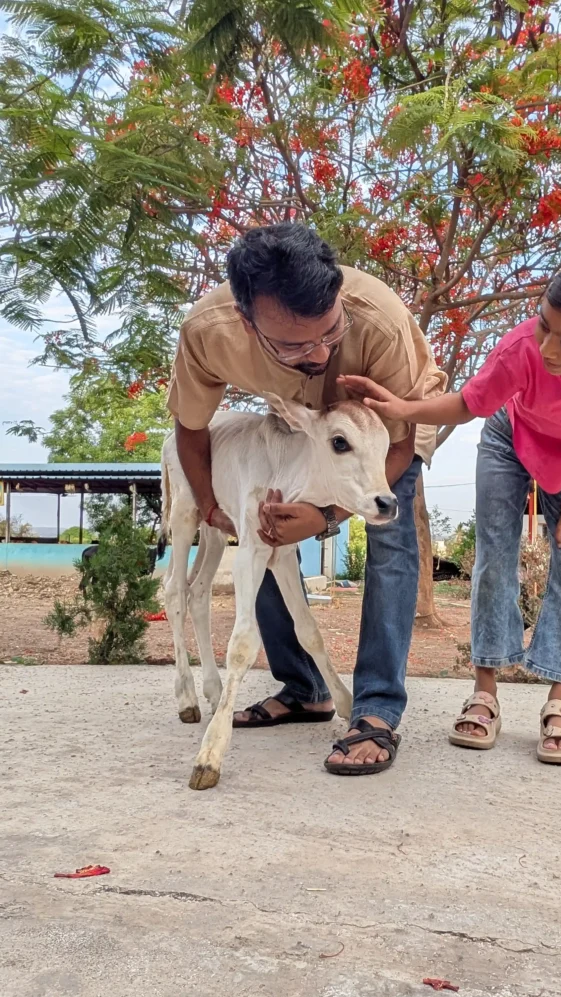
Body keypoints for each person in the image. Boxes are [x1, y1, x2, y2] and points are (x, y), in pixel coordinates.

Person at [340, 244, 561, 764]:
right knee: (495, 557)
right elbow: (468, 404)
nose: (548, 348)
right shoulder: (523, 350)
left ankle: (560, 703)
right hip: (508, 439)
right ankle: (485, 691)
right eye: (544, 325)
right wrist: (403, 407)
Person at [167, 223, 446, 775]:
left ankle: (376, 710)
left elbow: (401, 442)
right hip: (293, 431)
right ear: (249, 323)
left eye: (330, 333)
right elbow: (192, 426)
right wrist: (214, 510)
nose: (319, 353)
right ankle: (304, 689)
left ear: (339, 296)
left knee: (388, 534)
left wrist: (326, 516)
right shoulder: (209, 331)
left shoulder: (380, 323)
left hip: (381, 435)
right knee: (267, 524)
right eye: (295, 344)